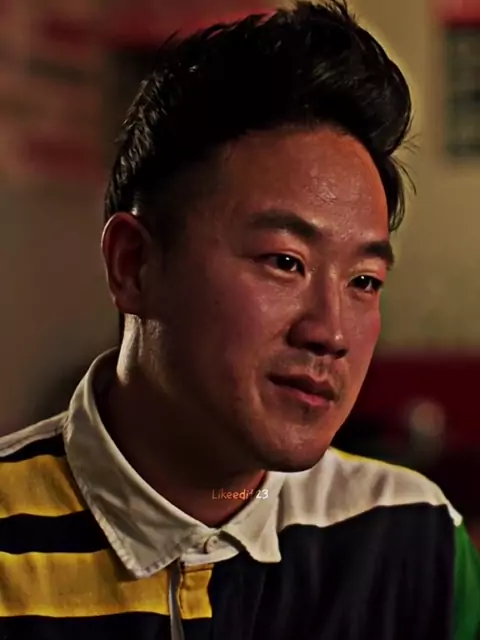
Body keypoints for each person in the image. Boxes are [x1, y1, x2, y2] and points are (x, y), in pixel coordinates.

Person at [0, 2, 478, 638]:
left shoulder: (413, 538)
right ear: (133, 265)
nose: (331, 333)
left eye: (364, 281)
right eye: (285, 262)